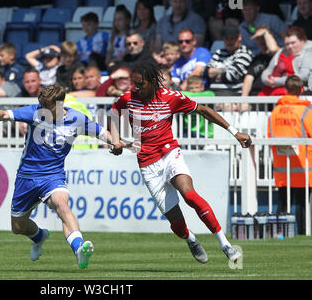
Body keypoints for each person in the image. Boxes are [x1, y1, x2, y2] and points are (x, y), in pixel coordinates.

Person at [110, 61, 252, 264]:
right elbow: (114, 114)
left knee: (190, 196)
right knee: (177, 226)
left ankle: (225, 245)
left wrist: (234, 132)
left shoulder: (170, 97)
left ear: (152, 82)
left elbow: (203, 110)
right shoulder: (128, 99)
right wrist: (116, 141)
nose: (136, 88)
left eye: (140, 84)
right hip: (147, 165)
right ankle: (191, 239)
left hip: (170, 155)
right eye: (135, 84)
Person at [0, 83, 125, 269]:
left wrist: (115, 142)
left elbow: (101, 133)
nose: (42, 110)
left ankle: (79, 250)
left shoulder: (76, 119)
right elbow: (8, 114)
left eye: (47, 107)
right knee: (18, 227)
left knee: (62, 205)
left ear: (59, 105)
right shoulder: (35, 112)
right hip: (26, 177)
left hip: (53, 176)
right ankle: (40, 236)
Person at [267, 74, 312, 235]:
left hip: (281, 166)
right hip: (302, 166)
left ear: (286, 89)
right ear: (301, 90)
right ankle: (302, 232)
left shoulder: (275, 111)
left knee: (283, 202)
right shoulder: (306, 110)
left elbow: (269, 135)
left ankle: (280, 233)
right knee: (302, 203)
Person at [260, 26, 312, 96]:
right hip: (271, 88)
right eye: (287, 44)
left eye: (293, 43)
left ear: (302, 40)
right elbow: (268, 70)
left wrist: (277, 81)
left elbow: (303, 76)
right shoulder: (281, 51)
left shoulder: (309, 52)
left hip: (295, 91)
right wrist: (267, 80)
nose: (290, 46)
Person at [205, 25, 253, 96]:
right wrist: (225, 69)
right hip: (213, 94)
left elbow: (231, 76)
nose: (229, 42)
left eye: (232, 38)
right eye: (226, 38)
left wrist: (215, 72)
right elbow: (206, 72)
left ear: (239, 37)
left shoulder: (245, 53)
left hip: (232, 95)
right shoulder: (219, 52)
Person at [240, 26, 281, 104]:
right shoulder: (256, 59)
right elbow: (248, 79)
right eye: (258, 38)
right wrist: (243, 101)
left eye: (263, 37)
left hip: (274, 97)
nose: (261, 41)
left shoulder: (279, 54)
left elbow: (273, 49)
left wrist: (266, 33)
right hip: (256, 97)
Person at [181, 75, 215, 140]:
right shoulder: (185, 94)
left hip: (204, 131)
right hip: (189, 129)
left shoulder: (208, 94)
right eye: (191, 88)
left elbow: (211, 94)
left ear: (202, 87)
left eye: (197, 87)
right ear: (188, 88)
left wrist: (191, 97)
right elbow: (182, 93)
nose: (194, 90)